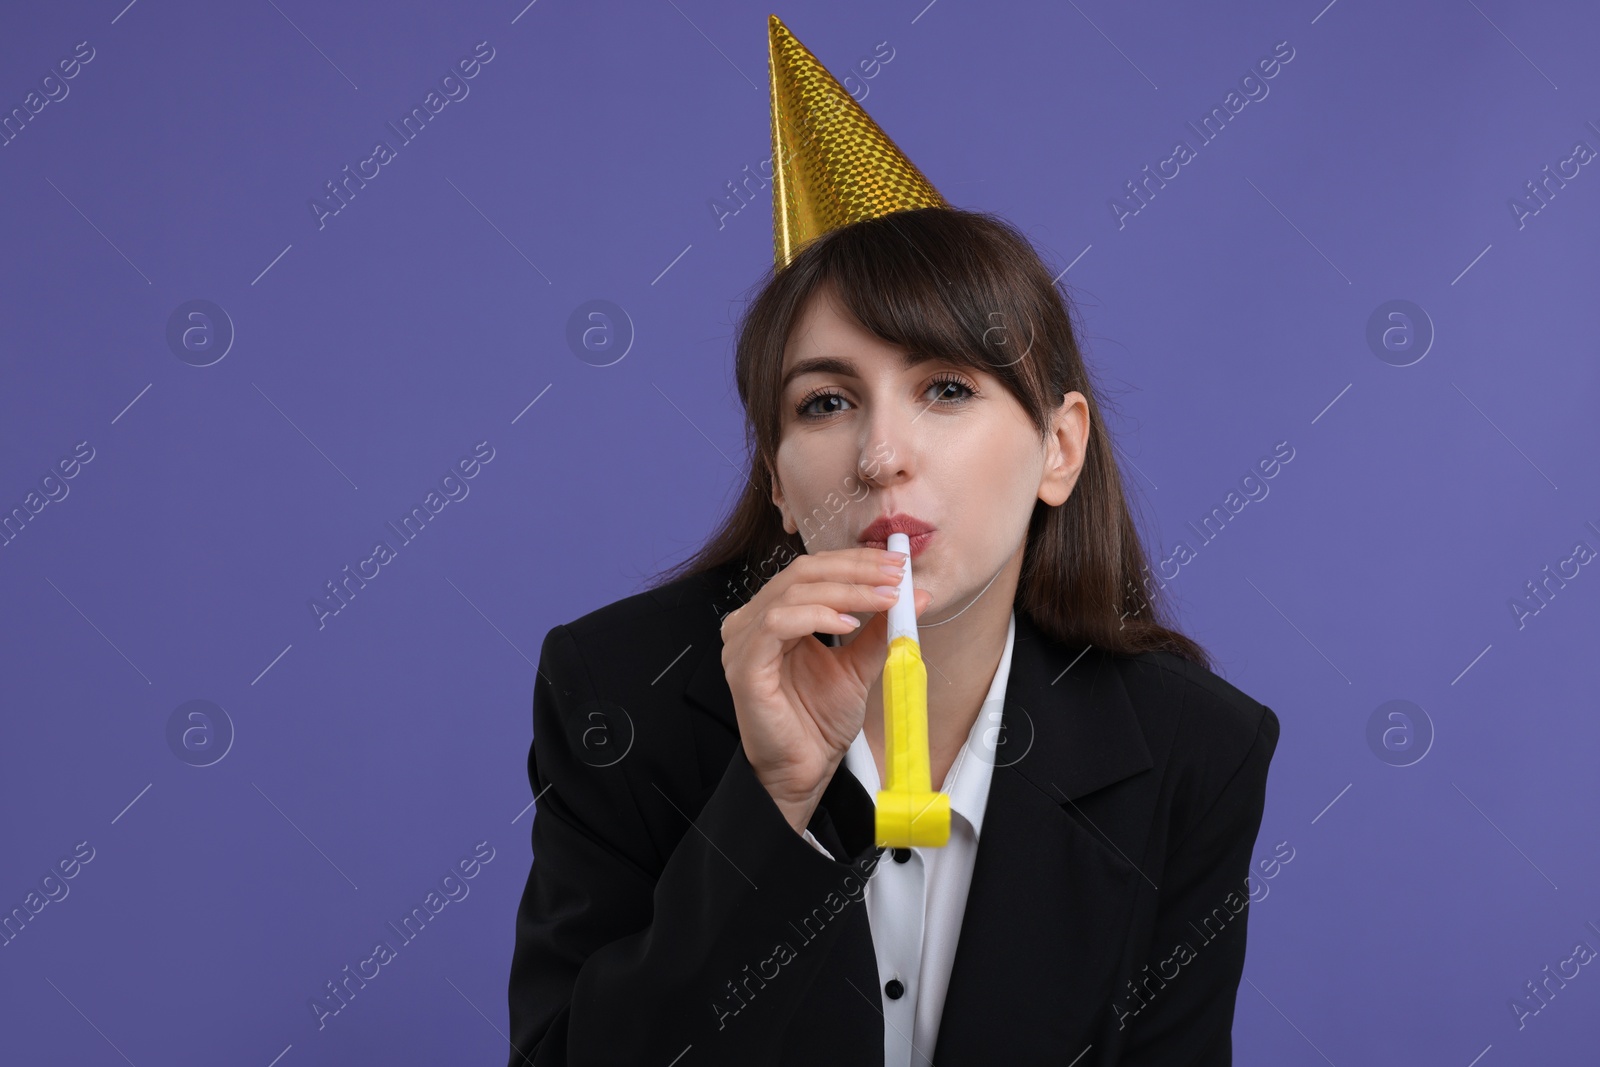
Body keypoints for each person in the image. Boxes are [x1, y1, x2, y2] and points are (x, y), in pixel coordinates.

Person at [504, 16, 1278, 1067]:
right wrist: (771, 800)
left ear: (1059, 448)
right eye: (824, 403)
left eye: (945, 388)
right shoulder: (620, 691)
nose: (879, 454)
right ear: (778, 480)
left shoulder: (1193, 747)